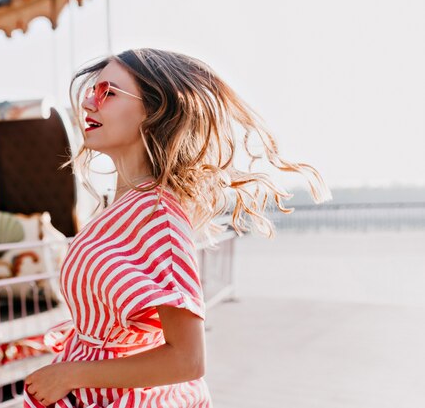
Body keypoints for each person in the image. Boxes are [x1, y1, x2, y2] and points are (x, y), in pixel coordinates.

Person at [24, 48, 331, 408]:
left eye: (108, 92)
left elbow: (188, 359)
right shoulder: (123, 206)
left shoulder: (159, 217)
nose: (90, 103)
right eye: (92, 90)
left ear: (152, 112)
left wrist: (72, 374)